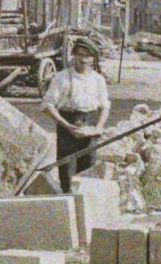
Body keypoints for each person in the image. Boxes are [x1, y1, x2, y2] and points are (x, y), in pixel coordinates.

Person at [43, 40, 111, 193]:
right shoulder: (62, 77)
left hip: (90, 125)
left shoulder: (98, 80)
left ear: (93, 59)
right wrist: (66, 125)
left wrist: (98, 127)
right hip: (67, 124)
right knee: (67, 171)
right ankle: (68, 205)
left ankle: (86, 209)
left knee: (89, 170)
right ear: (73, 56)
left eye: (88, 56)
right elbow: (47, 105)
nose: (83, 60)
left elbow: (105, 106)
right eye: (80, 55)